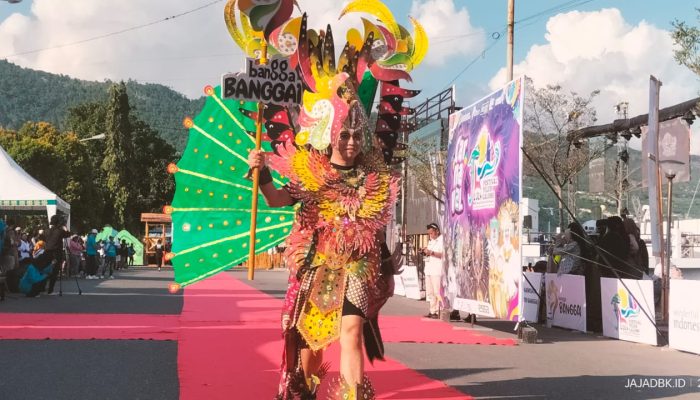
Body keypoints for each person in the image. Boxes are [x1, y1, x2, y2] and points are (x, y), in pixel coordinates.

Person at [249, 98, 402, 398]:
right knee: (311, 343)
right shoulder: (312, 174)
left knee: (352, 334)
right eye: (344, 135)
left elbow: (376, 231)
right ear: (330, 136)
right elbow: (275, 200)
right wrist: (262, 172)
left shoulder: (374, 179)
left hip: (357, 268)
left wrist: (384, 261)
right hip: (319, 269)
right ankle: (304, 391)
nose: (351, 142)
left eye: (357, 135)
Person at [42, 213, 71, 294]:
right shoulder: (60, 231)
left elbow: (42, 239)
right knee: (54, 272)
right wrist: (65, 226)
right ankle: (50, 289)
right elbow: (68, 234)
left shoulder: (46, 231)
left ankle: (42, 287)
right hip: (56, 253)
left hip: (47, 252)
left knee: (45, 270)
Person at [421, 223, 444, 319]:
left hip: (437, 270)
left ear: (437, 231)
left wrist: (431, 252)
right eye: (429, 233)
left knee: (437, 292)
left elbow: (442, 255)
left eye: (431, 233)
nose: (430, 235)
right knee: (430, 292)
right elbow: (429, 253)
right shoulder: (431, 241)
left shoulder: (442, 240)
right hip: (429, 269)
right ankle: (432, 311)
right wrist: (425, 251)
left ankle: (439, 311)